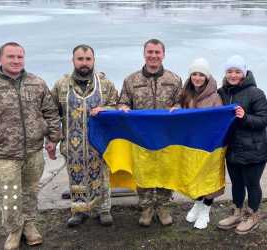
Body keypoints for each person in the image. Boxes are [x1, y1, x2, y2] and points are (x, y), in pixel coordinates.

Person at [0, 42, 61, 250]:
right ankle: (14, 231)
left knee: (30, 191)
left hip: (33, 150)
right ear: (0, 59)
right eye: (11, 57)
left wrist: (53, 139)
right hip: (4, 153)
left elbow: (50, 112)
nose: (15, 61)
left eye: (19, 57)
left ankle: (30, 225)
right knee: (9, 194)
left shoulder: (37, 83)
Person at [46, 44, 119, 227]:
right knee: (76, 177)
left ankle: (103, 210)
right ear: (73, 61)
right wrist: (52, 140)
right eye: (80, 59)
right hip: (72, 145)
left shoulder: (105, 84)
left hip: (99, 144)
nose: (84, 63)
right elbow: (51, 112)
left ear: (93, 60)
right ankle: (79, 211)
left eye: (88, 59)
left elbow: (118, 106)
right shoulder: (61, 85)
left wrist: (105, 108)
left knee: (102, 176)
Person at [118, 38, 182, 226]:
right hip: (140, 136)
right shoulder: (131, 80)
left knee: (165, 171)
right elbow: (123, 101)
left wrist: (178, 107)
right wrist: (122, 108)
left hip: (166, 136)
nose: (153, 56)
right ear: (144, 54)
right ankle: (146, 207)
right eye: (150, 52)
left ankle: (162, 207)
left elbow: (182, 102)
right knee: (143, 171)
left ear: (163, 55)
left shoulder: (174, 79)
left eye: (157, 52)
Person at [216, 55, 267, 234]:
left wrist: (245, 117)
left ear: (244, 72)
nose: (233, 75)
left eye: (237, 71)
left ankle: (253, 215)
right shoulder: (222, 92)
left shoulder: (256, 93)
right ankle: (237, 212)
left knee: (252, 184)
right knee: (237, 184)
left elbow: (265, 119)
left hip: (253, 150)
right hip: (232, 149)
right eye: (230, 71)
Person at [179, 58, 222, 229]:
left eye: (201, 74)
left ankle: (206, 210)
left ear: (207, 77)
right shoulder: (186, 94)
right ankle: (197, 204)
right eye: (194, 74)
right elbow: (180, 108)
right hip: (191, 144)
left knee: (208, 177)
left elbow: (219, 120)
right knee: (194, 175)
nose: (197, 78)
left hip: (210, 145)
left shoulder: (215, 97)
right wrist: (176, 108)